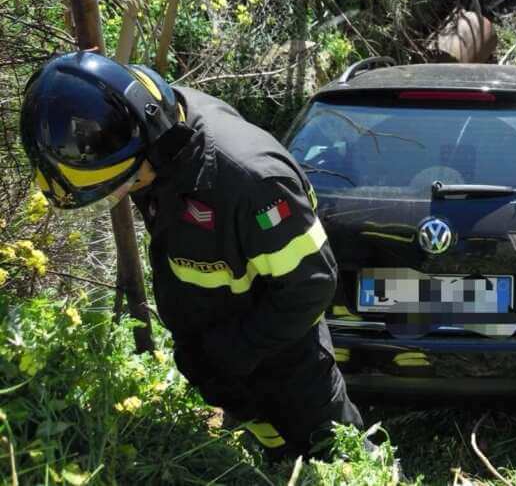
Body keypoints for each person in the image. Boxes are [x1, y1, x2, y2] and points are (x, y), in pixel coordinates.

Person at [19, 51, 362, 459]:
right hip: (219, 348)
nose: (123, 195)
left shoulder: (251, 180)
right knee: (265, 447)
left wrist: (231, 351)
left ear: (156, 147)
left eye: (122, 185)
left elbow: (311, 286)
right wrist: (205, 355)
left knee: (331, 452)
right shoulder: (144, 133)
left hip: (282, 353)